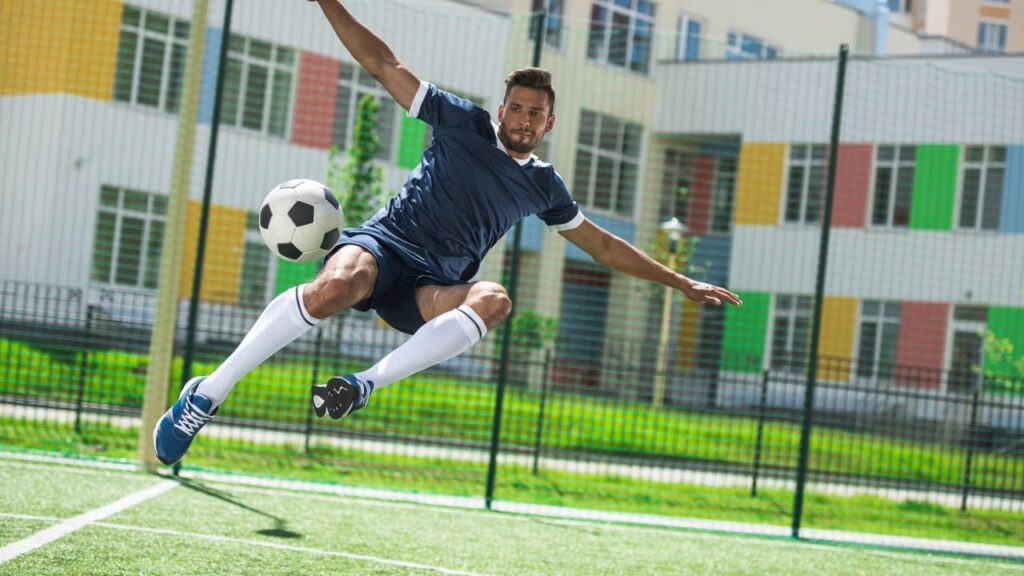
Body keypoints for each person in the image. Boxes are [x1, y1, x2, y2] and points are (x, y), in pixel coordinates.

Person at [153, 0, 742, 466]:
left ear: (549, 123)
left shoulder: (544, 186)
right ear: (502, 109)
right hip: (384, 247)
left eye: (536, 114)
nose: (524, 119)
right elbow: (384, 65)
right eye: (517, 109)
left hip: (430, 288)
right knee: (340, 283)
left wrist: (680, 281)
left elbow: (605, 246)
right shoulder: (461, 122)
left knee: (496, 299)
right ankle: (207, 394)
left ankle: (362, 385)